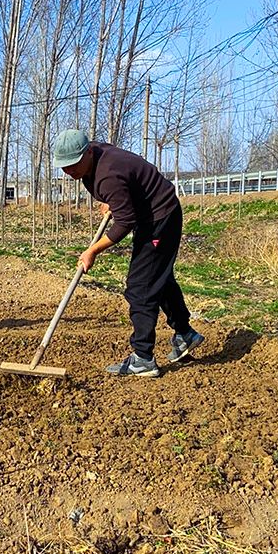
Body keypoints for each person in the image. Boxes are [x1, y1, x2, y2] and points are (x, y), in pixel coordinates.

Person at [53, 128, 205, 377]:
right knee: (159, 277)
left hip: (160, 218)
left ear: (88, 151)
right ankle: (185, 334)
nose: (68, 171)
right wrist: (112, 200)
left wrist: (93, 250)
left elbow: (124, 223)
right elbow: (127, 184)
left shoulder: (107, 175)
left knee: (140, 286)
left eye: (73, 165)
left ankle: (143, 358)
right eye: (64, 167)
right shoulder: (98, 157)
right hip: (155, 214)